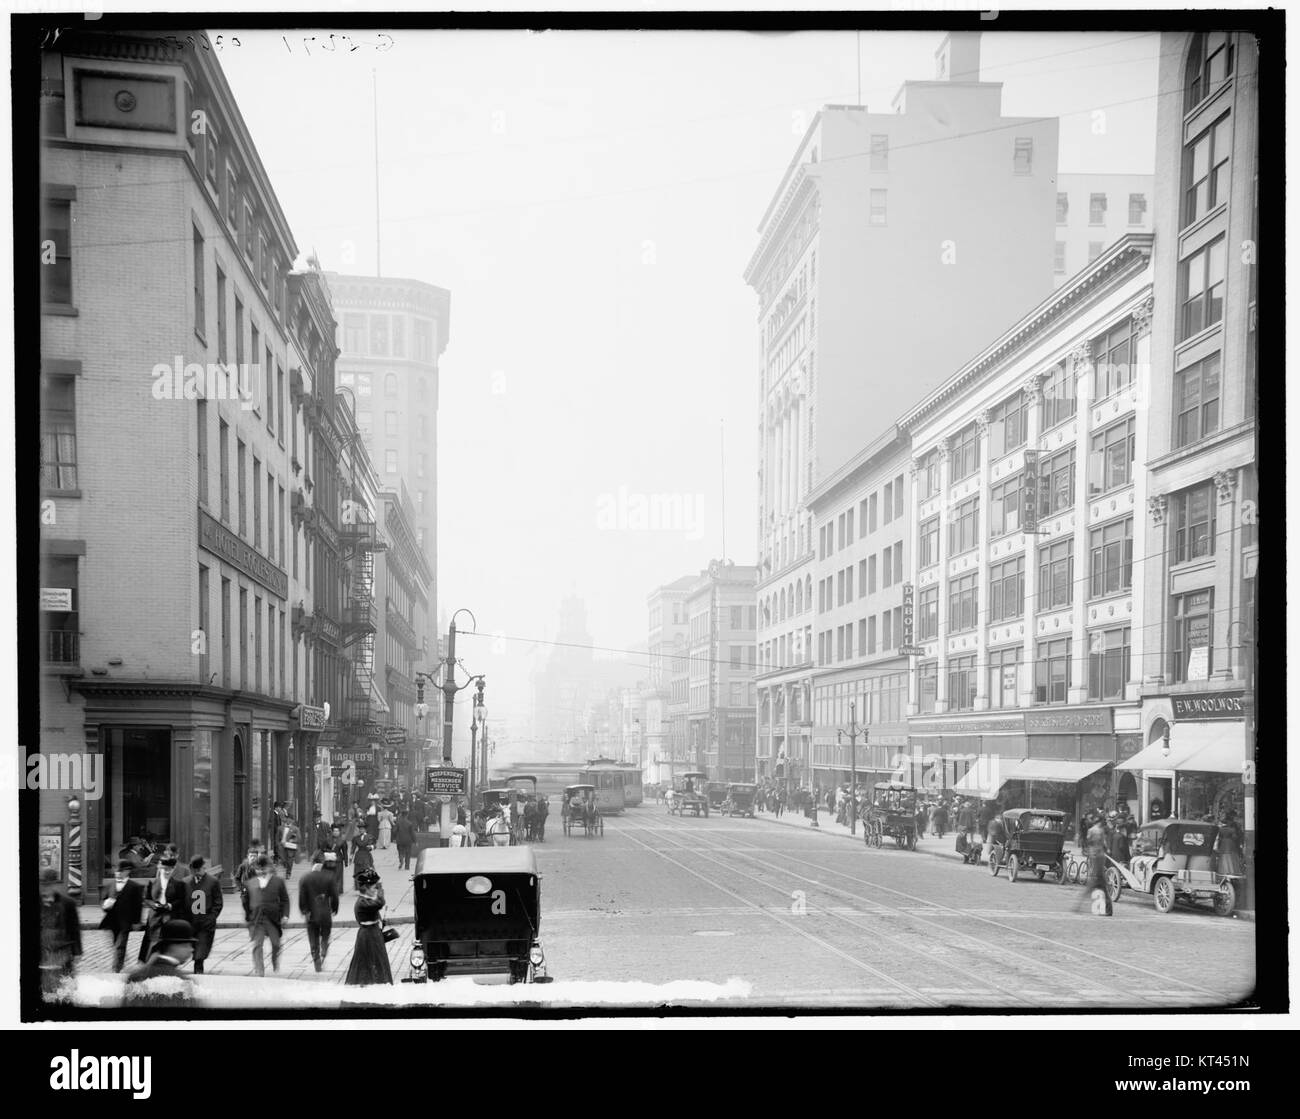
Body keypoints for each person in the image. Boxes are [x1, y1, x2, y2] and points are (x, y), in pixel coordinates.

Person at [123, 919, 196, 1006]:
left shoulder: (135, 976)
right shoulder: (183, 982)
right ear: (174, 946)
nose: (192, 949)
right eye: (187, 945)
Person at [243, 854, 290, 976]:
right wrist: (248, 917)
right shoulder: (250, 883)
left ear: (269, 868)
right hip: (257, 919)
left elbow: (285, 899)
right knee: (257, 945)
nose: (261, 871)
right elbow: (246, 901)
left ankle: (274, 959)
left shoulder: (278, 882)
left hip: (273, 919)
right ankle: (260, 971)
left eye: (264, 868)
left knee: (276, 944)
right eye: (258, 868)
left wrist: (285, 915)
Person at [346, 869, 394, 986]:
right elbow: (379, 904)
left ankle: (376, 982)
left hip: (373, 934)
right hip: (368, 936)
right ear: (366, 888)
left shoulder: (365, 901)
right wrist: (381, 891)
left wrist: (380, 922)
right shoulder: (362, 902)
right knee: (367, 962)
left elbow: (375, 912)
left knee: (377, 961)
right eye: (373, 888)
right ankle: (369, 984)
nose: (375, 890)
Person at [40, 868, 82, 995]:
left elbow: (74, 928)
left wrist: (77, 951)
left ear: (55, 884)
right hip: (42, 951)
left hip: (62, 951)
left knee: (64, 987)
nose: (45, 888)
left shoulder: (68, 903)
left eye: (49, 884)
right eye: (43, 884)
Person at [140, 852, 188, 963]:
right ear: (161, 868)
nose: (167, 872)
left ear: (173, 869)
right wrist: (154, 905)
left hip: (170, 917)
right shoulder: (153, 883)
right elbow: (147, 899)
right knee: (153, 942)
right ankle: (150, 964)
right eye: (165, 869)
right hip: (155, 918)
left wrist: (170, 905)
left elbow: (181, 900)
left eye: (170, 869)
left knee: (168, 943)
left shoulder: (178, 884)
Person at [99, 860, 145, 972]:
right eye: (116, 871)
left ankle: (116, 969)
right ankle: (121, 958)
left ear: (127, 872)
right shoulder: (110, 885)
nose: (118, 873)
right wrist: (105, 905)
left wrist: (137, 922)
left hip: (126, 921)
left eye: (121, 871)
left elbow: (138, 906)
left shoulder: (134, 887)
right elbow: (103, 899)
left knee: (120, 944)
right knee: (115, 944)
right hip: (112, 920)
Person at [298, 852, 341, 973]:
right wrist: (334, 909)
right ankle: (324, 947)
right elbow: (335, 896)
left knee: (313, 937)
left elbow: (302, 898)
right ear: (322, 864)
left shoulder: (305, 878)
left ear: (312, 863)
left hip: (311, 914)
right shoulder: (329, 877)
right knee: (325, 934)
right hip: (325, 912)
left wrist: (304, 910)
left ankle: (316, 959)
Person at [184, 855, 223, 975]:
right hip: (190, 921)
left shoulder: (212, 882)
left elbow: (218, 902)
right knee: (192, 946)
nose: (197, 873)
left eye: (199, 870)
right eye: (194, 870)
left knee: (201, 948)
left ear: (203, 868)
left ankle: (198, 969)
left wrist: (212, 917)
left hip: (205, 921)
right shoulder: (185, 882)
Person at [1078, 812, 1113, 916]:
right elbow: (1105, 845)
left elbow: (1088, 842)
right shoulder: (1101, 831)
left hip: (1095, 857)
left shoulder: (1091, 830)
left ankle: (1079, 906)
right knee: (1102, 886)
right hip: (1100, 857)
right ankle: (1107, 909)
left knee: (1094, 884)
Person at [1215, 810, 1244, 877]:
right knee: (1232, 856)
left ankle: (1223, 871)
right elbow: (1235, 837)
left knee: (1223, 856)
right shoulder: (1233, 829)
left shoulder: (1221, 829)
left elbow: (1219, 838)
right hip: (1231, 844)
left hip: (1223, 844)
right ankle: (1232, 871)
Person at [277, 815, 302, 881]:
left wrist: (293, 840)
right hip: (282, 846)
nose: (288, 820)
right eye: (287, 819)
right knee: (284, 860)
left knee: (290, 860)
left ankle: (288, 873)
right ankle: (286, 867)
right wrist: (278, 844)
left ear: (292, 821)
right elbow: (277, 837)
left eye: (290, 819)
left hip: (290, 846)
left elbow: (299, 838)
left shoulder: (295, 829)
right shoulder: (280, 828)